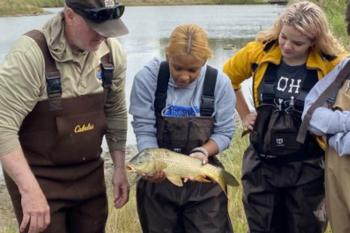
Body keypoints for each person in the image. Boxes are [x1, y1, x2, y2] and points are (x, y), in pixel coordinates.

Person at [0, 0, 129, 232]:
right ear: (69, 14)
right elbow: (2, 126)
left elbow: (116, 112)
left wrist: (119, 167)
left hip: (90, 176)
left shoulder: (111, 52)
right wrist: (29, 191)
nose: (103, 35)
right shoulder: (30, 54)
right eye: (95, 25)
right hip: (39, 178)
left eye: (109, 26)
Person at [223, 1, 346, 233]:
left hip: (307, 167)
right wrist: (245, 113)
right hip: (261, 165)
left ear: (314, 41)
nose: (287, 46)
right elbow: (227, 79)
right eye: (284, 37)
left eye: (298, 43)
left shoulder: (333, 63)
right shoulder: (259, 52)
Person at [129, 24, 236, 233]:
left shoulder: (219, 84)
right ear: (167, 55)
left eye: (192, 70)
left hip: (203, 183)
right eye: (177, 68)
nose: (184, 76)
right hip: (159, 186)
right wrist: (152, 164)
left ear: (204, 62)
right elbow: (144, 128)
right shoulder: (147, 79)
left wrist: (203, 151)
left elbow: (224, 133)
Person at [302, 2, 350, 232]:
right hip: (338, 181)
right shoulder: (344, 70)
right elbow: (311, 116)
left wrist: (335, 138)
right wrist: (342, 130)